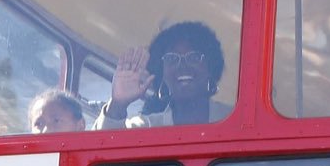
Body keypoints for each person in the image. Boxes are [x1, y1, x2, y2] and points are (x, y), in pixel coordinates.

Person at [94, 21, 231, 129]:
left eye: (193, 57)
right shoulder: (147, 127)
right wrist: (118, 104)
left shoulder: (233, 118)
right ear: (162, 74)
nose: (182, 66)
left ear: (210, 67)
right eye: (172, 58)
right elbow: (99, 148)